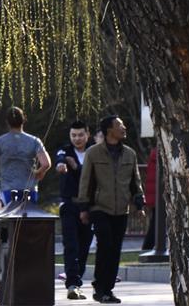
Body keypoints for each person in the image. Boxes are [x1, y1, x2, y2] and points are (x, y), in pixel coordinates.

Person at [77, 115, 145, 304]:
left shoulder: (130, 154)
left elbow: (135, 182)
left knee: (115, 250)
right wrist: (84, 207)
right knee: (105, 244)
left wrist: (139, 204)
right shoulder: (93, 153)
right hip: (100, 208)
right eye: (119, 125)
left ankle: (108, 289)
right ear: (109, 130)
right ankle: (100, 288)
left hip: (121, 210)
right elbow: (86, 181)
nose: (124, 127)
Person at [56, 120, 94, 300]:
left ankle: (78, 280)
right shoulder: (65, 151)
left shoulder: (94, 152)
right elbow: (59, 160)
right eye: (74, 135)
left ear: (88, 135)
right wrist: (62, 165)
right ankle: (72, 284)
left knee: (84, 246)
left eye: (80, 135)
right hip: (69, 205)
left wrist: (77, 168)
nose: (77, 139)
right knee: (71, 245)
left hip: (90, 205)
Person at [0, 107, 51, 203]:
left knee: (9, 217)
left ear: (7, 122)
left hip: (8, 189)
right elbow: (46, 163)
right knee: (28, 217)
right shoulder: (34, 141)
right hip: (29, 189)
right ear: (23, 120)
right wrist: (38, 173)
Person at [141, 146, 157, 251]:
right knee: (156, 224)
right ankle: (148, 246)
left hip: (155, 195)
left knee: (155, 223)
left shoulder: (155, 155)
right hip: (158, 196)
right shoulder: (157, 156)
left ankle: (148, 246)